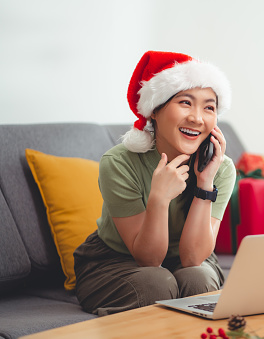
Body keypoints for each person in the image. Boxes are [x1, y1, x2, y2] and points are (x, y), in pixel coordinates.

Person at [73, 51, 236, 316]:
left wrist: (205, 184)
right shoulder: (119, 162)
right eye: (185, 102)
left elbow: (193, 258)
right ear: (155, 111)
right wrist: (159, 199)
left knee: (198, 279)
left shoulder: (221, 168)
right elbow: (149, 260)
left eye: (209, 107)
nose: (197, 118)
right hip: (117, 260)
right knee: (157, 282)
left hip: (186, 260)